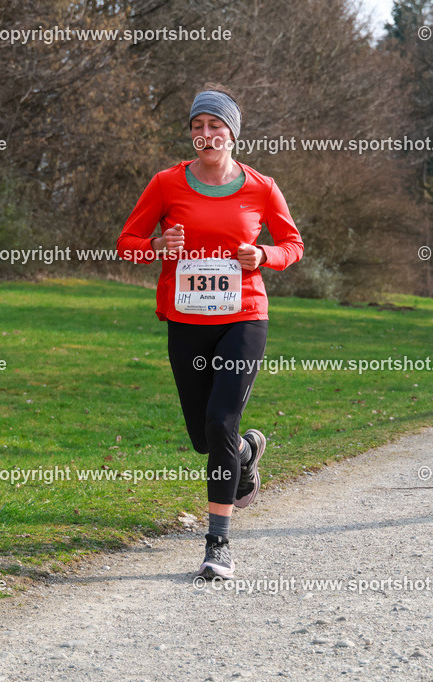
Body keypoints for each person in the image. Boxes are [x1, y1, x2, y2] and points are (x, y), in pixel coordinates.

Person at [116, 84, 304, 579]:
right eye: (197, 126)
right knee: (207, 439)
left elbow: (292, 244)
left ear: (232, 133)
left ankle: (217, 543)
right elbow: (126, 245)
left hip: (244, 314)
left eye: (215, 125)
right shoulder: (166, 184)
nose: (205, 134)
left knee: (221, 420)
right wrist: (157, 244)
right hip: (187, 319)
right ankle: (245, 452)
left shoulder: (261, 187)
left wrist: (263, 255)